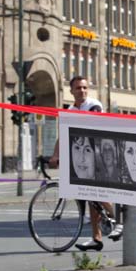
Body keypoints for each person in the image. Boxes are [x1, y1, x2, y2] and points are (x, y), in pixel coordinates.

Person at [50, 75, 115, 249]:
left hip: (99, 155)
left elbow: (91, 128)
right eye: (78, 88)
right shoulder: (70, 110)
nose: (82, 91)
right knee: (89, 199)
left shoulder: (94, 105)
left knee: (96, 194)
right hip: (83, 158)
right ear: (71, 91)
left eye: (85, 87)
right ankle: (96, 238)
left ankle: (122, 220)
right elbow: (63, 134)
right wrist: (55, 155)